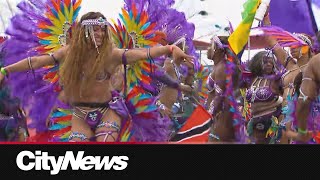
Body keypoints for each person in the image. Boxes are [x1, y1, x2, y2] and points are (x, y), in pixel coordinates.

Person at [0, 12, 193, 142]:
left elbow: (145, 53)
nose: (100, 33)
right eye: (95, 29)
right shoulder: (69, 53)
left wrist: (170, 48)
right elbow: (35, 62)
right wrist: (4, 70)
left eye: (102, 29)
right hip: (79, 115)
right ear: (84, 31)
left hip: (107, 112)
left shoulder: (112, 54)